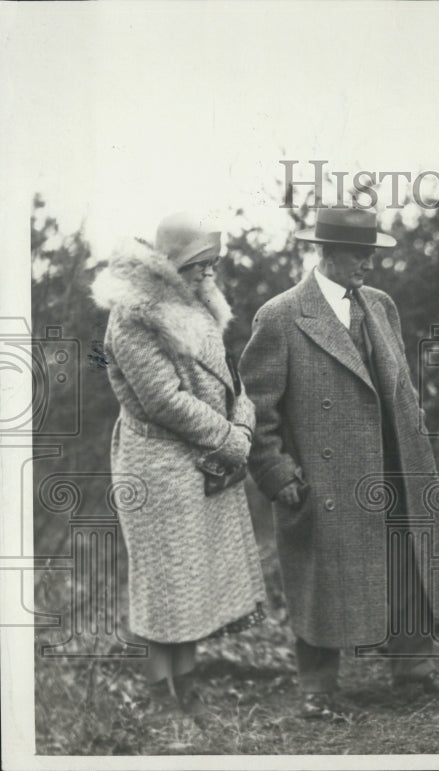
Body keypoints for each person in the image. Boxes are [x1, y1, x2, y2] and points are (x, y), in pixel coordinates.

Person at [239, 207, 439, 719]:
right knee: (322, 581)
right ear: (326, 252)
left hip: (395, 465)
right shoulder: (280, 314)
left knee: (409, 564)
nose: (368, 264)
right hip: (325, 480)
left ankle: (414, 671)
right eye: (358, 254)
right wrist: (278, 474)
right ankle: (318, 691)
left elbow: (399, 385)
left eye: (372, 254)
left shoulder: (381, 306)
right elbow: (256, 408)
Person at [92, 213, 266, 715]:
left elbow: (227, 376)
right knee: (161, 582)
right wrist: (230, 439)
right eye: (198, 266)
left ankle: (185, 685)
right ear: (169, 267)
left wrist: (243, 418)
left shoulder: (197, 306)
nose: (208, 277)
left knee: (189, 581)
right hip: (155, 465)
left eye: (211, 266)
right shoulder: (134, 313)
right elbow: (164, 400)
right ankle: (158, 694)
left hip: (198, 457)